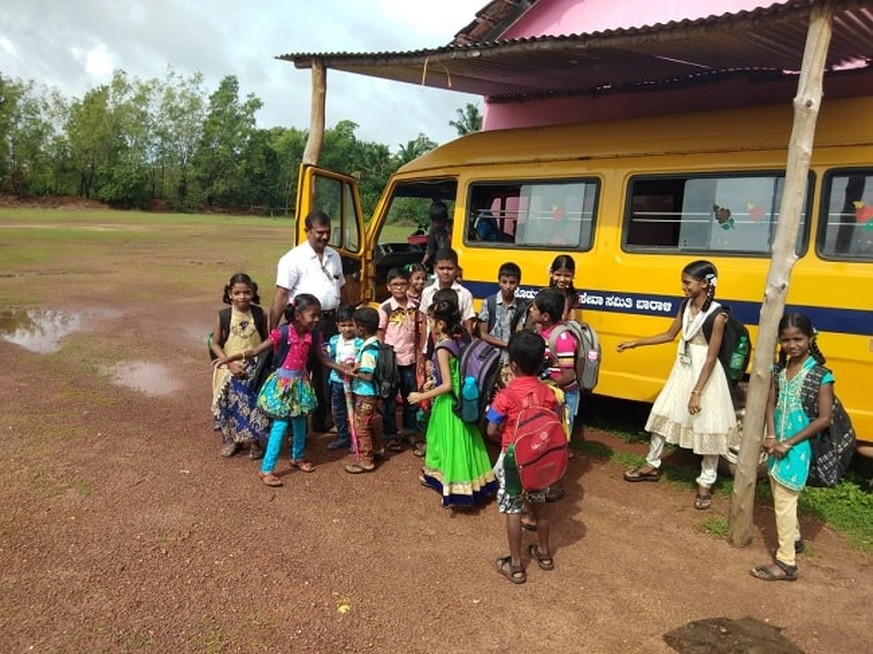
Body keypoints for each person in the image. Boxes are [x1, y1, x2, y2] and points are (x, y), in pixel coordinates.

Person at [617, 260, 737, 510]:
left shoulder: (717, 316)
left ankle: (706, 481)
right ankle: (652, 463)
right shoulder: (686, 305)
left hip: (705, 375)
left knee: (708, 427)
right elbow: (670, 334)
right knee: (662, 413)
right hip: (682, 370)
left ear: (704, 283)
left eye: (687, 282)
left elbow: (712, 357)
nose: (683, 287)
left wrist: (697, 393)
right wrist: (637, 343)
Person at [750, 313, 834, 582]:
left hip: (798, 447)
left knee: (784, 501)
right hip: (778, 444)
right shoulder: (780, 371)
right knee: (780, 493)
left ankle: (787, 563)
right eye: (786, 340)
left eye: (798, 339)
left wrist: (788, 442)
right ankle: (795, 538)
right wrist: (772, 435)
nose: (792, 344)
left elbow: (824, 419)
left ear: (811, 338)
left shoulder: (820, 375)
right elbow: (770, 404)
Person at [215, 294, 322, 487]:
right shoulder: (281, 333)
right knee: (280, 426)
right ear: (297, 315)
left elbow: (323, 358)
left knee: (300, 422)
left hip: (300, 384)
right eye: (313, 315)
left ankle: (297, 457)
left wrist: (343, 369)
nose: (317, 319)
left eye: (318, 315)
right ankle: (266, 469)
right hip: (282, 386)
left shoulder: (313, 335)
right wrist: (230, 358)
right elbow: (256, 351)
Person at [408, 295, 497, 509]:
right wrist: (432, 381)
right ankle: (473, 484)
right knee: (462, 442)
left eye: (430, 321)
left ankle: (457, 490)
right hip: (457, 397)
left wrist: (421, 396)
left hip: (448, 403)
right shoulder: (455, 340)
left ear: (440, 323)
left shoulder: (441, 348)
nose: (429, 325)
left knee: (448, 442)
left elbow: (447, 384)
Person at [486, 331, 560, 584]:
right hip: (540, 458)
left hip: (513, 458)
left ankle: (516, 565)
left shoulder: (505, 396)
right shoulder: (548, 393)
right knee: (540, 505)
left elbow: (491, 429)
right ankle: (544, 553)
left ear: (513, 365)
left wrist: (503, 441)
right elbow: (556, 421)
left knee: (513, 509)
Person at [270, 209, 347, 435]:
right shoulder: (292, 259)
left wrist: (347, 316)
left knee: (326, 372)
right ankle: (292, 423)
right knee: (297, 372)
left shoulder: (335, 256)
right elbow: (281, 295)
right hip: (302, 327)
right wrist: (272, 329)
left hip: (330, 322)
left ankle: (322, 421)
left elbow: (341, 288)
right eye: (319, 233)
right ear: (307, 231)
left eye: (328, 232)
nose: (324, 237)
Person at [210, 272, 271, 459]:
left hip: (255, 369)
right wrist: (229, 364)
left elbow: (266, 340)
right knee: (231, 406)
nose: (242, 297)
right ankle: (234, 441)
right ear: (230, 294)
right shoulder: (224, 315)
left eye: (246, 292)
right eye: (237, 293)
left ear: (253, 293)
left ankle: (255, 442)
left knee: (254, 405)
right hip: (230, 369)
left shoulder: (260, 314)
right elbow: (215, 342)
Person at [378, 268, 420, 452]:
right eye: (395, 284)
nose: (399, 288)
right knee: (389, 400)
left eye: (402, 284)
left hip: (409, 358)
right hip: (391, 361)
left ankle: (409, 430)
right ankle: (390, 434)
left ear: (408, 284)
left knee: (410, 397)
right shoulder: (385, 308)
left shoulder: (416, 305)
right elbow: (380, 335)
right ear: (388, 287)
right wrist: (383, 359)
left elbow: (419, 332)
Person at [345, 307, 384, 474]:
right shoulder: (375, 344)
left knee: (362, 426)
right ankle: (377, 449)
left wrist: (353, 372)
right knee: (367, 423)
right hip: (370, 394)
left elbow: (368, 376)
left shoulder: (368, 350)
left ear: (360, 329)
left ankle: (367, 460)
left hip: (366, 394)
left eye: (353, 326)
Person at [325, 305, 362, 452]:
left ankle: (357, 438)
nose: (347, 329)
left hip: (355, 383)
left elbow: (362, 359)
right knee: (339, 410)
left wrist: (354, 366)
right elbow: (329, 357)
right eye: (343, 325)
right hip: (337, 381)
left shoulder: (359, 341)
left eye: (350, 325)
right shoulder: (334, 340)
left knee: (355, 411)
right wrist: (338, 366)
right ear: (337, 326)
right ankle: (342, 436)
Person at [420, 248, 476, 339]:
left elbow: (468, 325)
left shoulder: (464, 294)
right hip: (431, 344)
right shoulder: (427, 292)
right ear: (435, 268)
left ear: (457, 269)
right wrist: (422, 349)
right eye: (441, 268)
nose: (445, 272)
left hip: (454, 345)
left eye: (450, 269)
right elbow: (424, 324)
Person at [478, 262, 523, 363]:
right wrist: (506, 344)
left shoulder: (521, 307)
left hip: (510, 358)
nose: (508, 286)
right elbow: (483, 334)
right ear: (499, 282)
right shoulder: (489, 303)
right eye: (504, 282)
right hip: (489, 357)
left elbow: (519, 332)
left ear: (518, 283)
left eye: (512, 282)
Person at [420, 200, 452, 270]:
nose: (436, 224)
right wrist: (422, 263)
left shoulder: (453, 227)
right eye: (433, 221)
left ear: (445, 218)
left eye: (439, 222)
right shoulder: (433, 230)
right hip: (440, 261)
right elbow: (430, 249)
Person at [548, 254, 579, 321]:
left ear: (573, 275)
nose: (562, 279)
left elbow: (573, 319)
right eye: (558, 275)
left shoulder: (572, 295)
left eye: (567, 276)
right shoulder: (545, 295)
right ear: (551, 273)